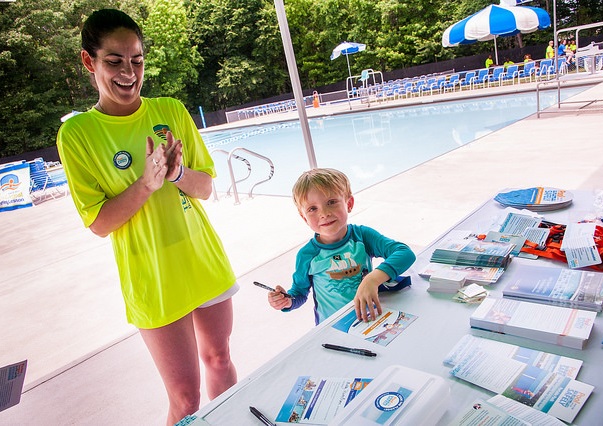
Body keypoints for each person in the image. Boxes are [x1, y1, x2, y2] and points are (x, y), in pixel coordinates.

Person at [56, 9, 238, 424]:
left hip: (202, 259)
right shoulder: (78, 134)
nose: (128, 72)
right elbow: (99, 223)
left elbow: (206, 187)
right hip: (151, 275)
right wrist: (144, 185)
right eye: (114, 61)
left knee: (220, 357)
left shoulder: (171, 111)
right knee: (185, 399)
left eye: (136, 60)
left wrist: (175, 173)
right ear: (90, 61)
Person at [265, 168, 416, 324]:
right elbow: (299, 293)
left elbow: (405, 253)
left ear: (349, 204)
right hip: (333, 327)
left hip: (370, 320)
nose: (324, 213)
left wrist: (372, 279)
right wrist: (287, 301)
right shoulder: (307, 255)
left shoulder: (362, 236)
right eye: (312, 209)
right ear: (304, 218)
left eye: (331, 202)